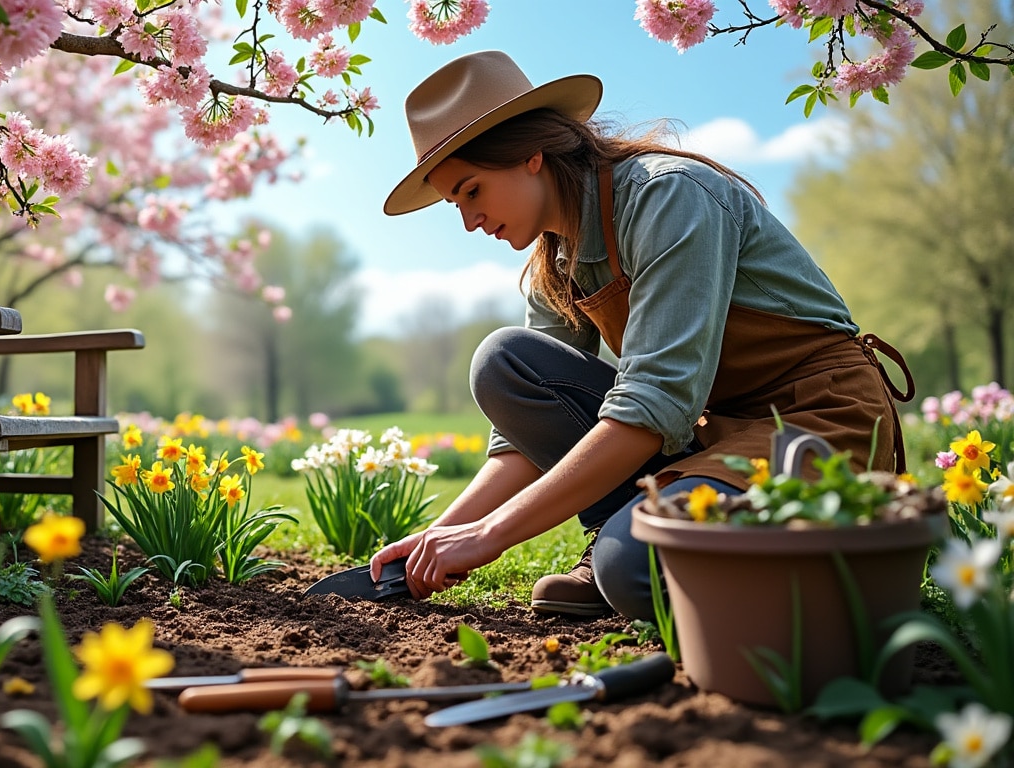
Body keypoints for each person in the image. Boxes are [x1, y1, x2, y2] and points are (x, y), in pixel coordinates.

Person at [368, 50, 914, 620]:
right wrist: (441, 536)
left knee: (632, 566)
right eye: (456, 203)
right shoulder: (553, 263)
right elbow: (523, 440)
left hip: (810, 424)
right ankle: (627, 528)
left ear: (528, 155)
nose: (468, 221)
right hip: (707, 437)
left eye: (472, 190)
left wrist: (492, 535)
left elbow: (652, 403)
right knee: (506, 363)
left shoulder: (669, 196)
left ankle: (837, 565)